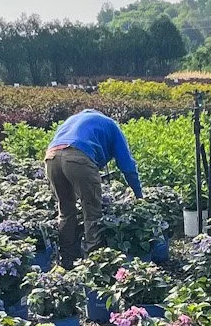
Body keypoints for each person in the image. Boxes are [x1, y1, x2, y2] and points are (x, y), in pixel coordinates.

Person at [44, 109, 142, 266]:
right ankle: (94, 264)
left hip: (51, 158)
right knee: (92, 213)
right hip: (78, 157)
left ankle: (67, 262)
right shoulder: (110, 125)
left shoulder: (72, 119)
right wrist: (139, 196)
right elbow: (127, 166)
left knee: (66, 212)